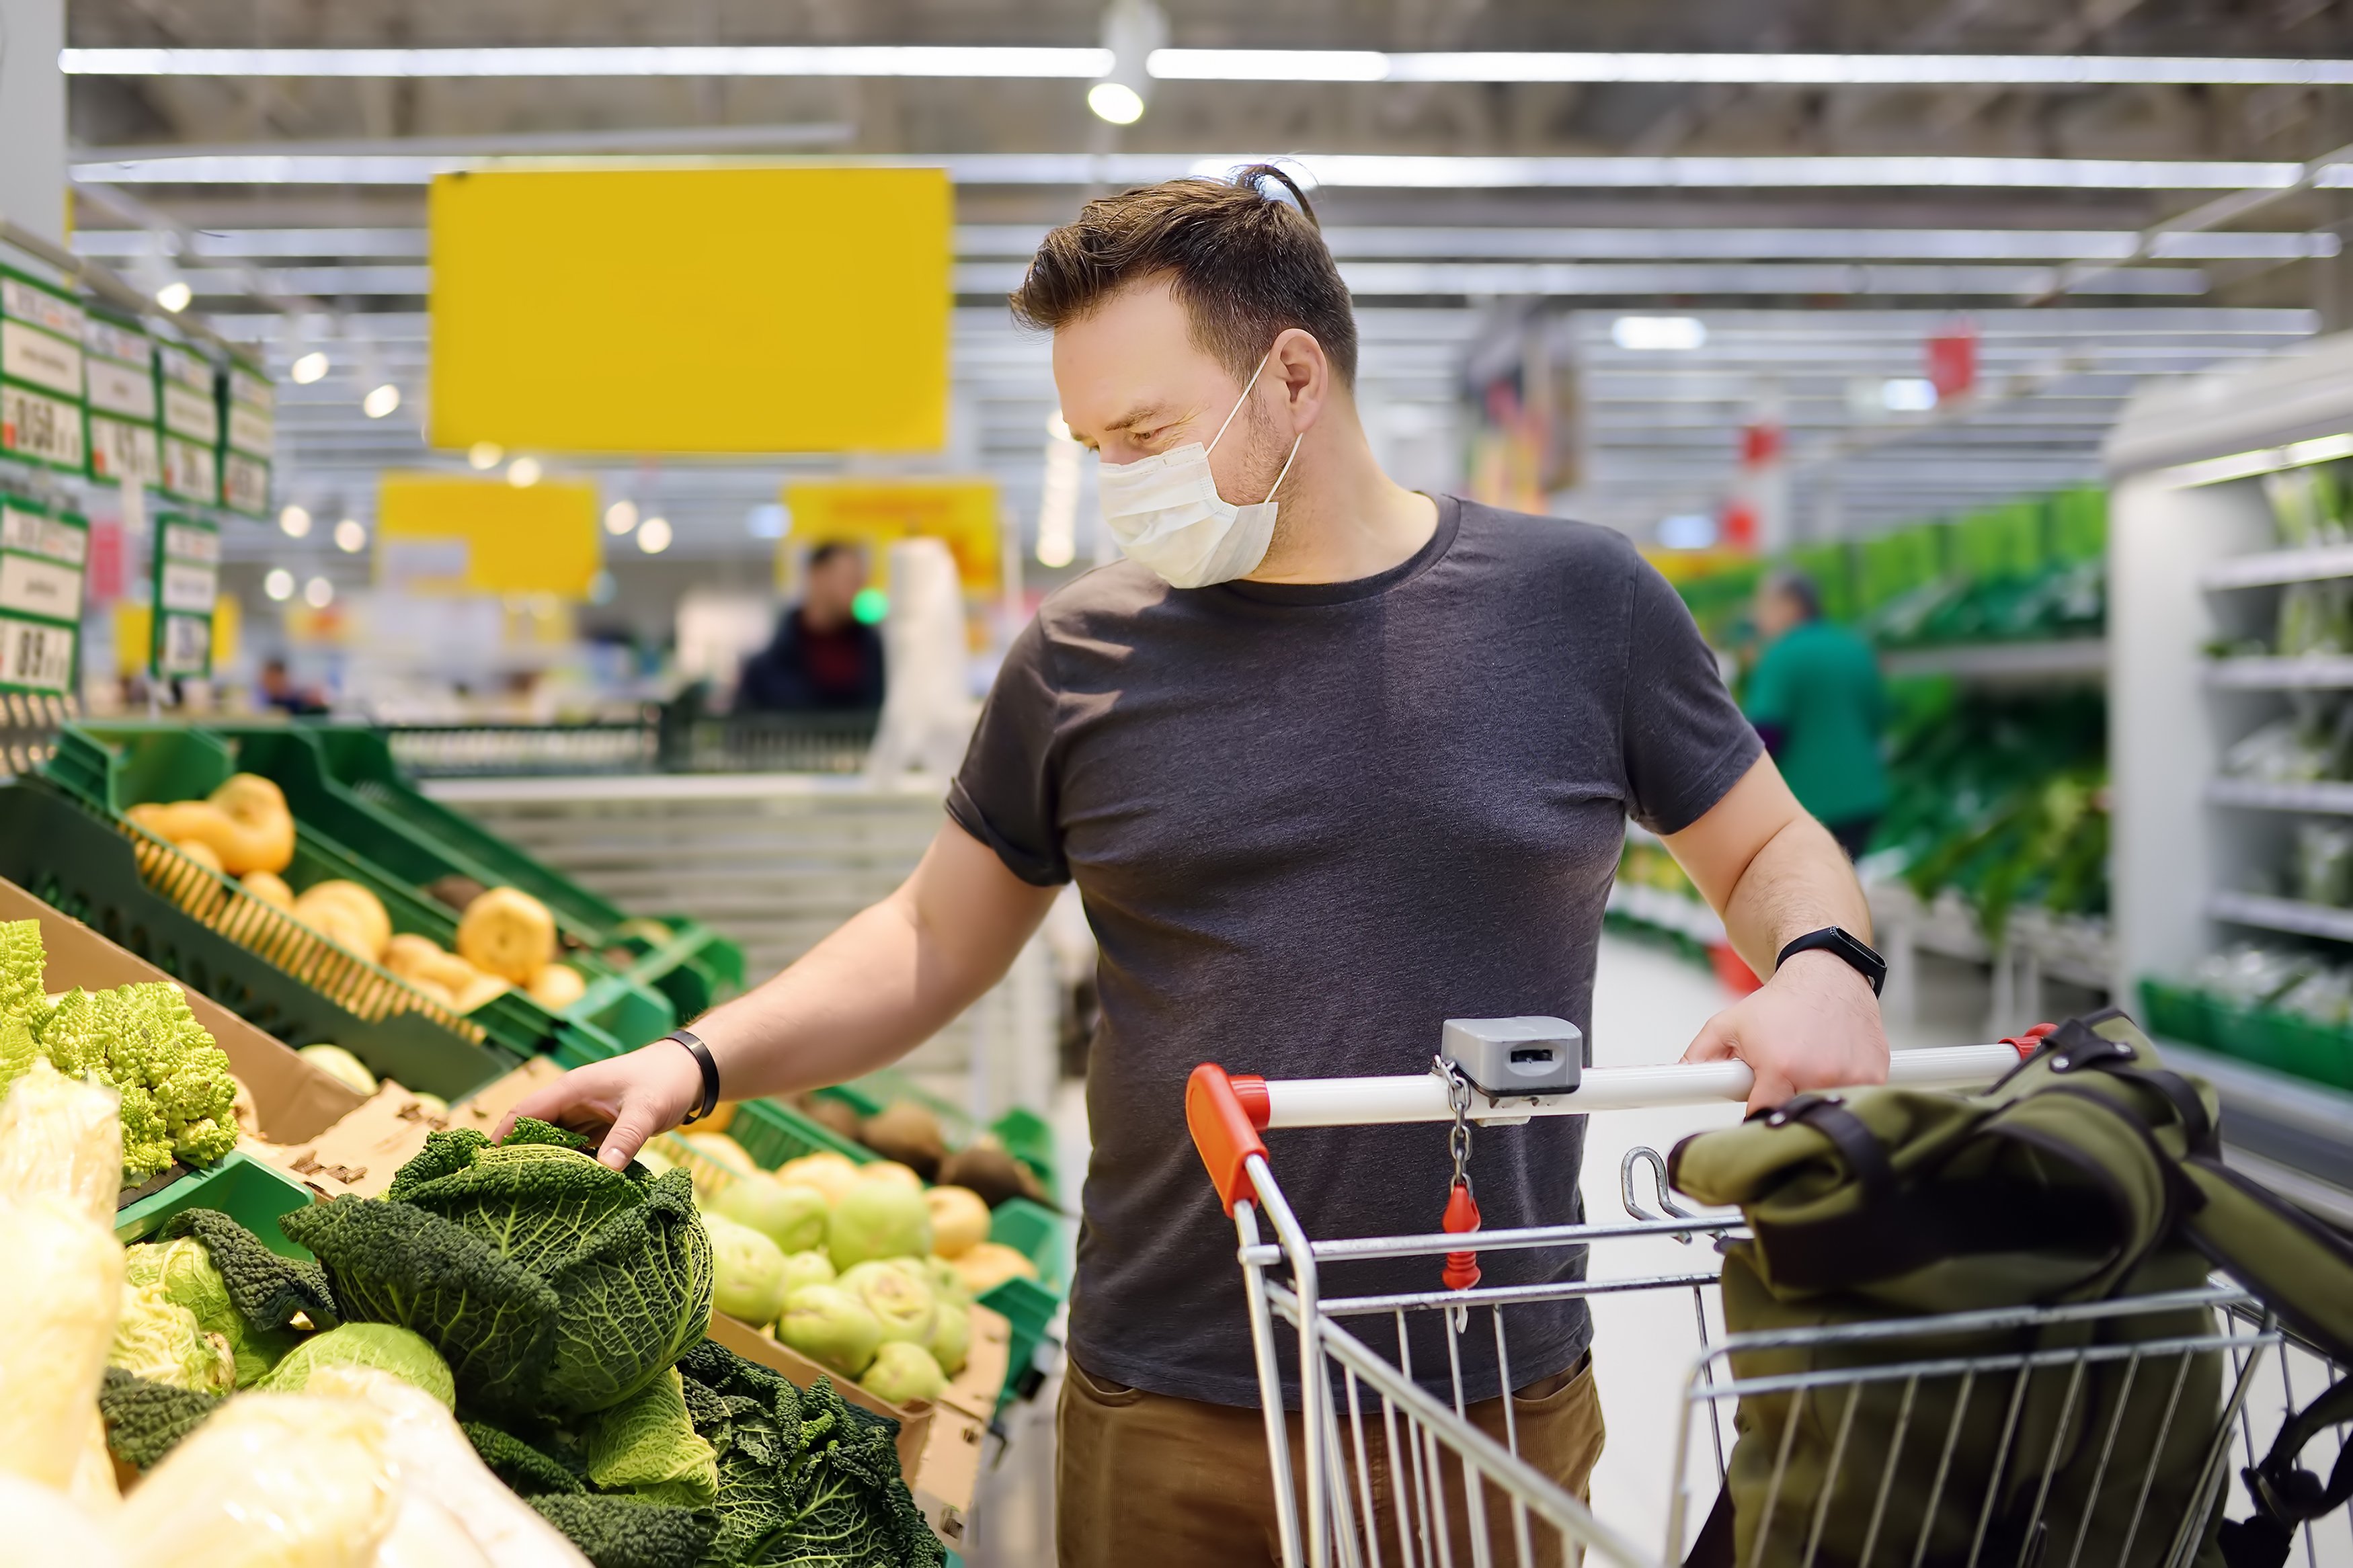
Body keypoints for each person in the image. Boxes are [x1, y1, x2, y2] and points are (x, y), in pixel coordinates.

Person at [510, 166, 1889, 1567]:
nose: (1120, 478)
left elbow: (1770, 840)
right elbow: (935, 933)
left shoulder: (1578, 606)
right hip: (1170, 1389)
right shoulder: (1079, 658)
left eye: (1146, 430)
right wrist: (695, 1058)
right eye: (1092, 441)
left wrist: (1824, 966)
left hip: (1484, 1387)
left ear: (1292, 377)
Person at [1742, 568, 1890, 860]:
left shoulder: (1780, 655)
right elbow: (1878, 718)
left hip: (1810, 806)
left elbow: (1765, 737)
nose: (1758, 618)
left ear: (1790, 606)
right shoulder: (1854, 646)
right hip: (1865, 800)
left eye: (1764, 606)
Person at [733, 541, 885, 712]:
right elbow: (745, 732)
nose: (859, 590)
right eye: (850, 580)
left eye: (861, 581)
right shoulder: (766, 670)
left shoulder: (878, 659)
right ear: (816, 576)